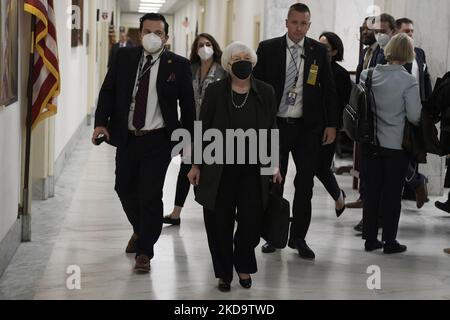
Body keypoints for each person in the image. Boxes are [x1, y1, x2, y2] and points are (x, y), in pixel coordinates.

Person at [92, 13, 196, 273]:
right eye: (147, 31)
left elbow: (189, 107)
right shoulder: (124, 58)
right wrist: (100, 123)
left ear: (166, 37)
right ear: (140, 34)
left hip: (159, 139)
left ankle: (145, 251)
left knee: (150, 195)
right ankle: (140, 230)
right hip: (127, 137)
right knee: (123, 187)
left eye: (158, 33)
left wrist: (188, 141)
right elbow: (108, 90)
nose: (152, 36)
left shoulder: (178, 65)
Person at [188, 42, 282, 292]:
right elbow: (202, 128)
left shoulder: (266, 91)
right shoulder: (216, 91)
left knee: (251, 221)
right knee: (219, 222)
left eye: (246, 57)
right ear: (228, 64)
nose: (242, 62)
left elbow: (272, 128)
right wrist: (195, 164)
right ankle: (224, 272)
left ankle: (243, 263)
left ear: (253, 62)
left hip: (253, 169)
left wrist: (274, 164)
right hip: (219, 168)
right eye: (236, 58)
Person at [253, 3, 338, 259]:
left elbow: (329, 89)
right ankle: (273, 235)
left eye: (304, 23)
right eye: (295, 23)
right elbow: (256, 86)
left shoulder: (318, 51)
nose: (299, 28)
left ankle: (298, 238)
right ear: (286, 23)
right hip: (275, 126)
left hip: (307, 128)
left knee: (305, 186)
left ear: (309, 25)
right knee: (273, 182)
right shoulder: (268, 49)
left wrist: (331, 125)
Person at [360, 33, 421, 254]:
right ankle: (389, 241)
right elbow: (414, 116)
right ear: (408, 54)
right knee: (392, 195)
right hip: (396, 146)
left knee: (371, 192)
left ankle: (369, 239)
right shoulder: (408, 81)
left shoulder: (367, 75)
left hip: (370, 144)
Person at [163, 33, 226, 226]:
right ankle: (176, 213)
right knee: (186, 167)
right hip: (190, 126)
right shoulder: (190, 69)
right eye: (200, 45)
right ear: (195, 49)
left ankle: (218, 211)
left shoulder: (223, 71)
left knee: (211, 171)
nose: (205, 48)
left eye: (208, 44)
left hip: (212, 129)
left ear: (214, 47)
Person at [351, 13, 395, 233]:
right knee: (368, 173)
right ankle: (369, 218)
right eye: (372, 30)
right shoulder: (368, 51)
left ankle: (376, 219)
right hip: (366, 119)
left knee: (378, 177)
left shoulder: (388, 54)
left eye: (380, 31)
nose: (374, 34)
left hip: (381, 122)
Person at [396, 17, 433, 209]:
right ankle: (416, 181)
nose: (410, 34)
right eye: (406, 31)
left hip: (417, 110)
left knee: (414, 151)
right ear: (396, 32)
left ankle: (412, 188)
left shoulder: (419, 53)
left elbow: (425, 80)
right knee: (398, 152)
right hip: (397, 112)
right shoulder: (392, 53)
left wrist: (430, 106)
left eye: (411, 31)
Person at [317, 32, 352, 217]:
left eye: (326, 48)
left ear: (335, 51)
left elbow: (346, 103)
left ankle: (338, 196)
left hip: (329, 127)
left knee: (321, 166)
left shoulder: (340, 74)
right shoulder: (312, 68)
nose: (322, 50)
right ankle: (338, 195)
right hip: (310, 126)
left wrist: (334, 125)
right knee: (312, 167)